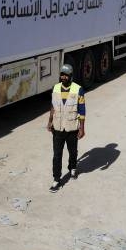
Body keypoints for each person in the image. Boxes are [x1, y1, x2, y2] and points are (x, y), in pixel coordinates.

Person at [47, 63, 85, 192]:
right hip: (57, 128)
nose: (63, 77)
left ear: (71, 76)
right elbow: (53, 107)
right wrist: (49, 121)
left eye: (66, 75)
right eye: (62, 75)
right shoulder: (55, 88)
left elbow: (82, 110)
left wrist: (82, 128)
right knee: (57, 155)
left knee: (73, 151)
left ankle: (72, 168)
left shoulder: (78, 89)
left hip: (72, 128)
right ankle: (56, 179)